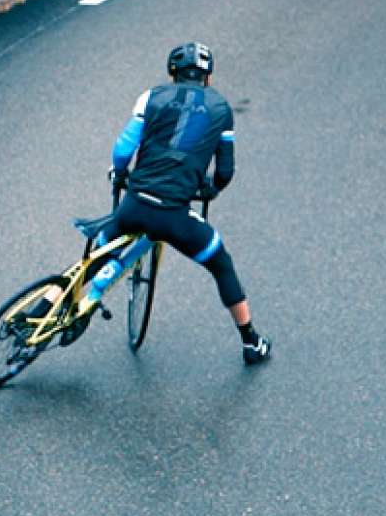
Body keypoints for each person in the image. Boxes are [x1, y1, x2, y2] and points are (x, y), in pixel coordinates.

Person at [94, 42, 271, 364]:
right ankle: (251, 342)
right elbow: (226, 172)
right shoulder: (221, 108)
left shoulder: (150, 97)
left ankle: (50, 307)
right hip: (174, 216)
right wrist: (210, 190)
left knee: (97, 251)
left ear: (171, 73)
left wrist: (119, 173)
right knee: (221, 264)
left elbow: (123, 149)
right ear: (209, 77)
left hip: (134, 204)